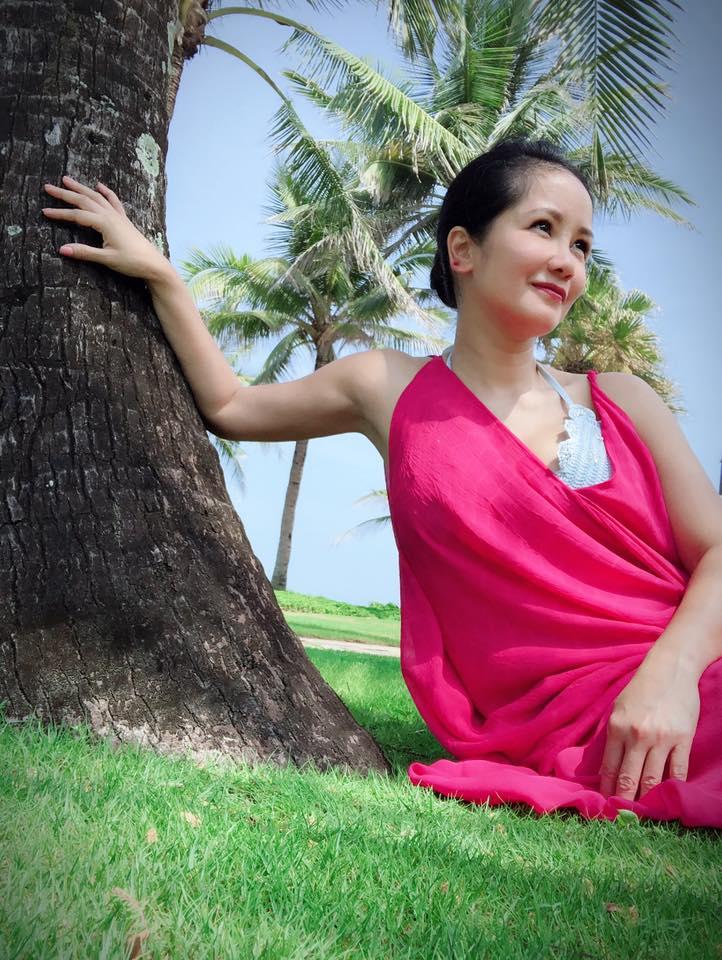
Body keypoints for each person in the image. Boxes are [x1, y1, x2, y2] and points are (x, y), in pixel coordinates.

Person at [42, 137, 722, 827]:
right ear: (464, 250)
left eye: (581, 245)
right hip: (555, 725)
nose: (567, 261)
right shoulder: (386, 386)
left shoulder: (622, 400)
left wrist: (670, 679)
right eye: (543, 227)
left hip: (690, 677)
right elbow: (232, 406)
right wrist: (162, 276)